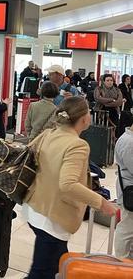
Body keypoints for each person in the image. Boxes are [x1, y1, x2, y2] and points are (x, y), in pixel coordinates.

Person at [23, 97, 118, 278]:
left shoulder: (48, 134)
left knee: (58, 265)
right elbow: (68, 184)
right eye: (89, 111)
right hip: (52, 218)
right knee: (41, 273)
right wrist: (102, 203)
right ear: (83, 118)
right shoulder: (78, 145)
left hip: (35, 208)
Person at [115, 124, 133, 258]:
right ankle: (121, 260)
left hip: (128, 188)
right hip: (129, 191)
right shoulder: (129, 142)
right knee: (127, 228)